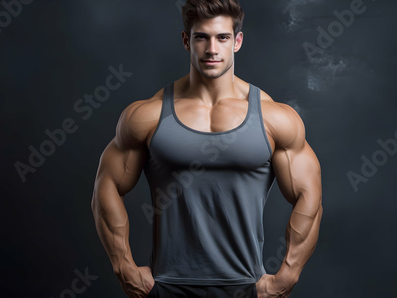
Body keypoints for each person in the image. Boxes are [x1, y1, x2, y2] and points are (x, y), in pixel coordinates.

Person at [91, 0, 323, 297]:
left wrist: (287, 276)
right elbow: (105, 186)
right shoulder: (148, 115)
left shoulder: (274, 117)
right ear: (187, 40)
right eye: (201, 37)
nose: (212, 49)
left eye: (222, 37)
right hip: (166, 287)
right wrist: (124, 268)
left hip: (244, 287)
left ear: (237, 41)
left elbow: (310, 196)